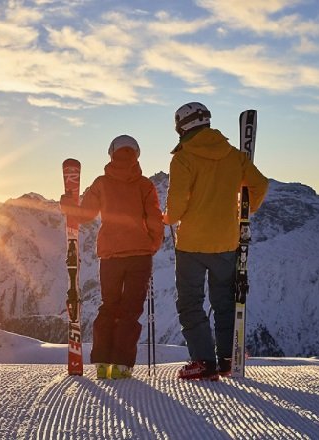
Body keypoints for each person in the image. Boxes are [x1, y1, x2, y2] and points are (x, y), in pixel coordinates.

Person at [163, 102, 269, 381]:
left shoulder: (183, 158)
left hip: (191, 244)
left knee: (190, 303)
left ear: (181, 126)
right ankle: (226, 358)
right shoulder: (234, 156)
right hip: (226, 241)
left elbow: (176, 204)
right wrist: (244, 211)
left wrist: (167, 218)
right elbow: (260, 184)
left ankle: (203, 361)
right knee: (224, 302)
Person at [60, 135, 164, 380]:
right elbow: (154, 219)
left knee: (109, 306)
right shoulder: (145, 185)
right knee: (130, 311)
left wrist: (67, 203)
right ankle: (121, 366)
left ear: (111, 153)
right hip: (139, 256)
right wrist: (151, 245)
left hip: (110, 256)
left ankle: (102, 362)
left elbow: (84, 214)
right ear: (136, 154)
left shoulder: (102, 183)